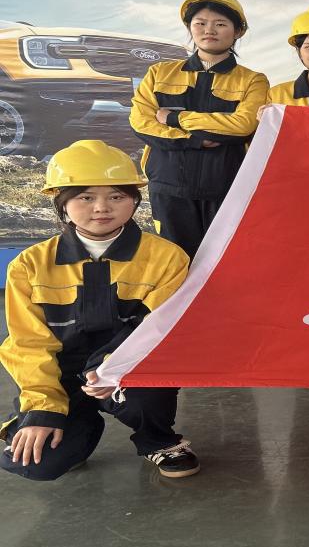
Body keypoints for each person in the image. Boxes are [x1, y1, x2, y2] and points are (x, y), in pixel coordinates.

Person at [0, 141, 197, 481]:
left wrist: (113, 369)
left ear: (134, 200)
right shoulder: (29, 266)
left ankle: (159, 440)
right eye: (86, 197)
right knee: (36, 463)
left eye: (117, 196)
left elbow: (157, 327)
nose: (102, 208)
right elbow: (27, 345)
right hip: (62, 373)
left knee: (148, 393)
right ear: (61, 202)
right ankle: (76, 428)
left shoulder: (167, 258)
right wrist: (43, 409)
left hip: (128, 366)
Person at [129, 0, 269, 257]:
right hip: (168, 186)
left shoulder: (253, 80)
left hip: (226, 187)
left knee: (224, 261)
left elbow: (243, 125)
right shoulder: (159, 73)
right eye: (200, 23)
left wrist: (174, 118)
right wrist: (194, 140)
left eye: (220, 24)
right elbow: (141, 122)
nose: (209, 30)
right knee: (174, 261)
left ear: (238, 31)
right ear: (189, 27)